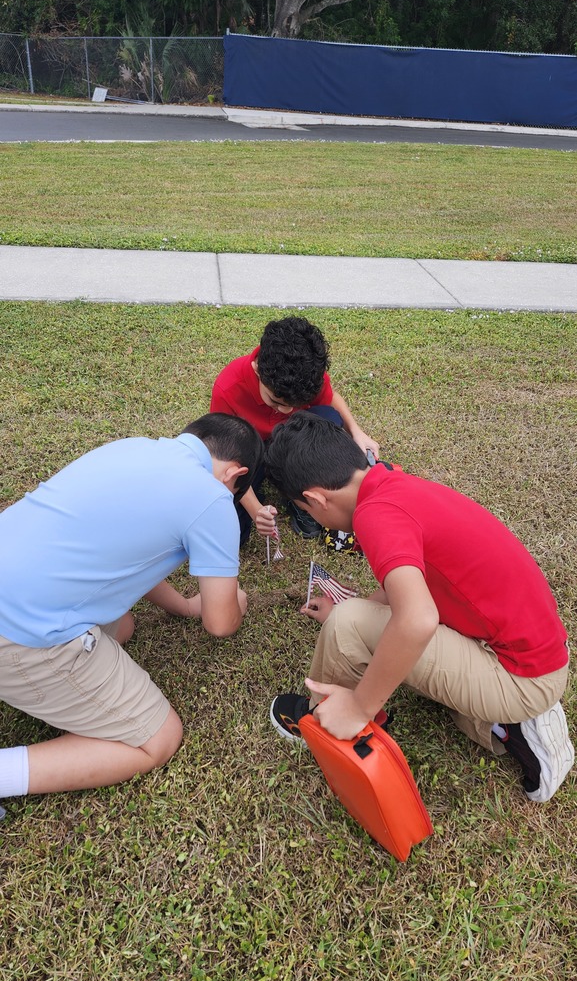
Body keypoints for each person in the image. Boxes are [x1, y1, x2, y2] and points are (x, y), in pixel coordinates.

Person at [266, 412, 574, 803]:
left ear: (314, 499)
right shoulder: (391, 481)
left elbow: (417, 618)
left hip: (521, 677)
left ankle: (325, 722)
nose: (314, 518)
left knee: (347, 625)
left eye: (307, 511)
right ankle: (505, 726)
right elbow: (420, 590)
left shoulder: (375, 516)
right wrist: (362, 609)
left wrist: (360, 705)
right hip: (532, 653)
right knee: (355, 617)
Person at [0, 413, 263, 813]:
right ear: (235, 474)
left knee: (122, 626)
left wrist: (186, 605)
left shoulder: (130, 448)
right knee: (158, 738)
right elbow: (221, 623)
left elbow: (131, 558)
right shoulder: (211, 498)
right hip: (22, 631)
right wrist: (235, 605)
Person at [210, 315, 379, 544]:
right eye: (275, 401)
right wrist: (255, 509)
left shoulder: (305, 373)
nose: (286, 409)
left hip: (292, 440)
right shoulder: (228, 389)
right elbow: (224, 460)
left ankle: (298, 496)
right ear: (257, 370)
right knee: (233, 533)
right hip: (250, 450)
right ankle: (272, 486)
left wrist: (357, 432)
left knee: (328, 418)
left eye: (295, 403)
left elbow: (330, 399)